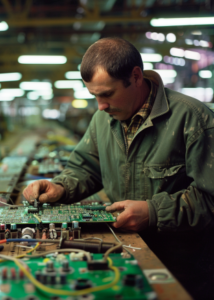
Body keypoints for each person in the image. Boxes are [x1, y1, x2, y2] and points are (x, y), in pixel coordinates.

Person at [23, 37, 214, 299]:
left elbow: (210, 198)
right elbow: (86, 168)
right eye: (94, 96)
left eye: (107, 94)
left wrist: (154, 212)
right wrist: (60, 187)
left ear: (136, 77)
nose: (100, 106)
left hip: (184, 267)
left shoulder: (193, 119)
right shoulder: (103, 120)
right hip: (125, 253)